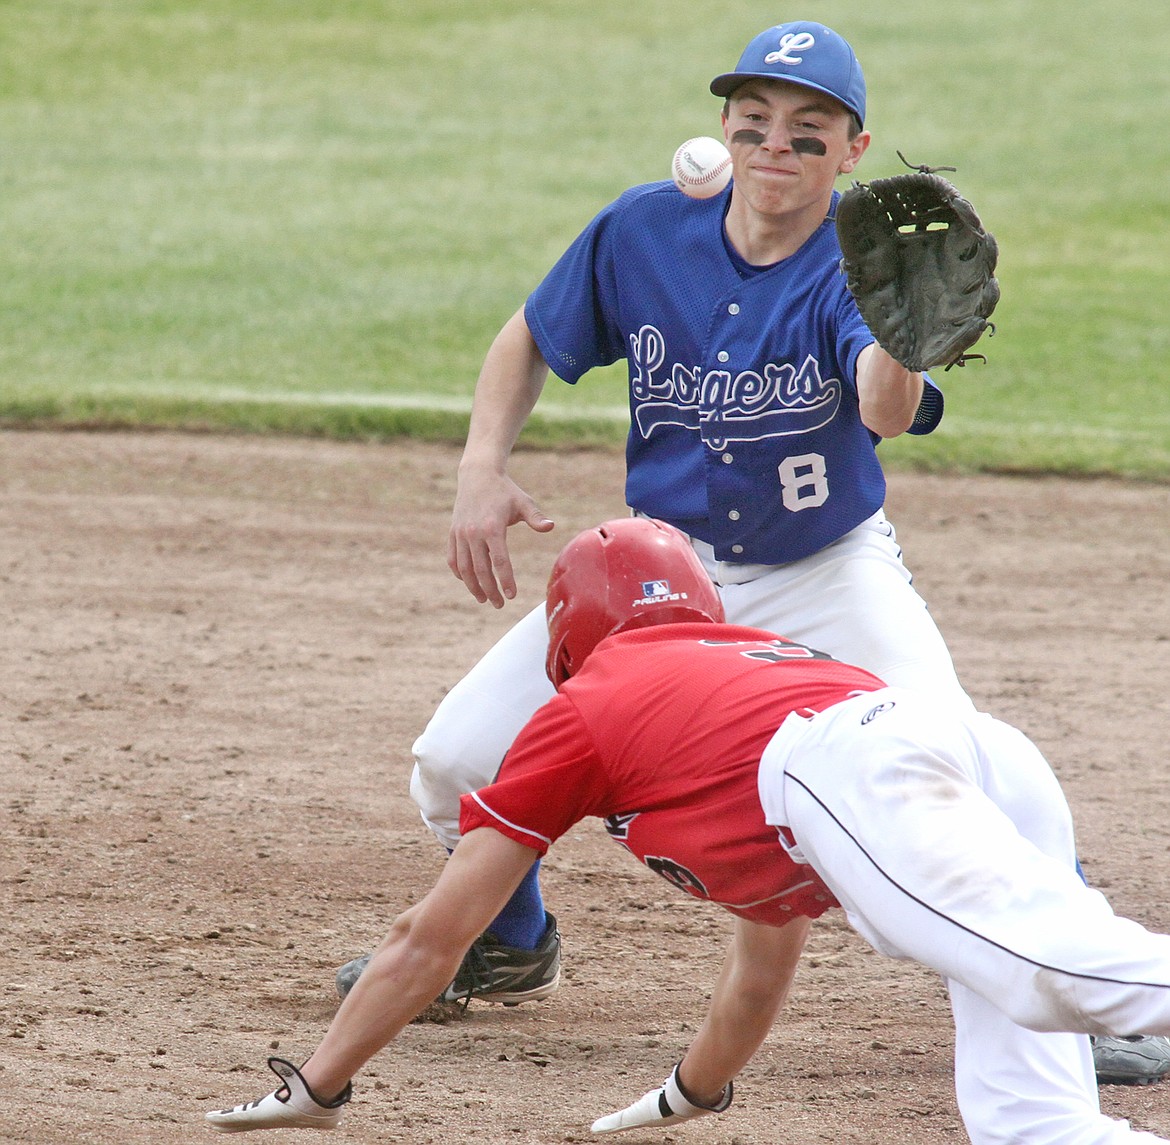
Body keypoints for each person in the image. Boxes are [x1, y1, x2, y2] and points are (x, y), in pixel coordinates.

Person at [352, 18, 1168, 1086]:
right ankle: (510, 944)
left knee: (957, 759)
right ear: (726, 131)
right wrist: (479, 465)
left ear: (854, 148)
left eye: (809, 129)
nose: (777, 144)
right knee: (455, 760)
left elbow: (881, 409)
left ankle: (1079, 990)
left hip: (825, 568)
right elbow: (529, 335)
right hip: (663, 579)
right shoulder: (645, 230)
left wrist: (903, 341)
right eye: (757, 123)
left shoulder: (858, 263)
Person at [208, 518, 1170, 1142]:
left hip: (859, 763)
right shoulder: (744, 677)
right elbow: (760, 969)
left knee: (1052, 971)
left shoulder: (587, 705)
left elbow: (434, 933)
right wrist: (689, 1092)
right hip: (965, 747)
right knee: (1029, 1115)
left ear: (566, 636)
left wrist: (319, 1083)